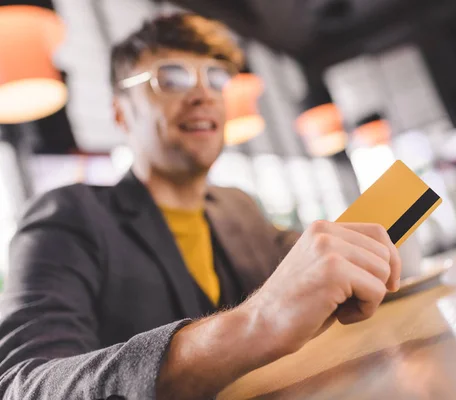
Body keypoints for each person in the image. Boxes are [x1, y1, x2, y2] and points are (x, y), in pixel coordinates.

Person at [0, 13, 402, 400]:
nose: (202, 94)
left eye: (215, 78)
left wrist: (379, 230)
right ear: (121, 114)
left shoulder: (239, 206)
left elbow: (314, 270)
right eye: (170, 78)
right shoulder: (68, 218)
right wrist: (254, 325)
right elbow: (23, 385)